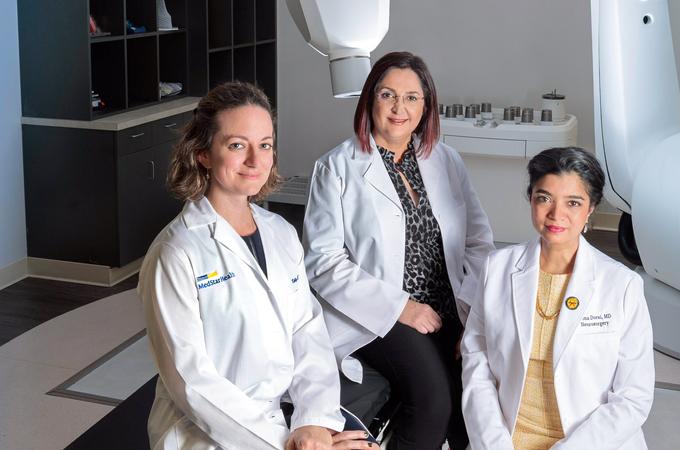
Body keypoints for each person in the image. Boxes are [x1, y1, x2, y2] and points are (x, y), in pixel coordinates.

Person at [138, 81, 372, 450]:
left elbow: (306, 330)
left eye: (264, 145)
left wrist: (313, 422)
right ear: (202, 153)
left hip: (280, 418)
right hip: (206, 434)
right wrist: (286, 444)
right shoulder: (177, 252)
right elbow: (192, 382)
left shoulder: (280, 233)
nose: (255, 160)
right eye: (236, 145)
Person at [303, 51, 495, 450]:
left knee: (477, 396)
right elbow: (322, 262)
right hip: (379, 314)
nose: (399, 108)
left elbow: (479, 241)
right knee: (433, 401)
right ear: (370, 99)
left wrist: (472, 313)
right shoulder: (337, 168)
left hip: (449, 306)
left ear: (426, 107)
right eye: (388, 95)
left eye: (411, 98)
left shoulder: (446, 161)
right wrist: (401, 307)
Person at [461, 147, 655, 450]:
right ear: (531, 198)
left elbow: (633, 397)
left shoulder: (622, 285)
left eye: (573, 202)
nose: (556, 214)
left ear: (591, 208)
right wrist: (494, 444)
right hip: (505, 441)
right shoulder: (496, 268)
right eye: (544, 198)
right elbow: (477, 363)